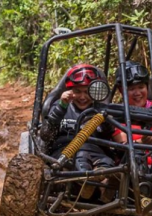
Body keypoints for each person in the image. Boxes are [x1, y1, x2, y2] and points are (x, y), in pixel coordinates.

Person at [40, 63, 116, 202]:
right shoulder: (61, 106)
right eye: (77, 91)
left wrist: (105, 119)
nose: (82, 97)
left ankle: (105, 186)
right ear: (69, 91)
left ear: (95, 92)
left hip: (97, 151)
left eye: (87, 92)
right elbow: (46, 135)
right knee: (80, 158)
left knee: (107, 162)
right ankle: (85, 183)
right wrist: (62, 106)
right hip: (66, 153)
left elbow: (111, 135)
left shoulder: (101, 110)